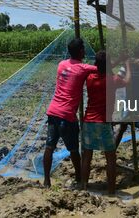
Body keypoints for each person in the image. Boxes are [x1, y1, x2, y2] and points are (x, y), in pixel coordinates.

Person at [42, 38, 97, 188]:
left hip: (53, 111)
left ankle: (46, 181)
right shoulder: (83, 68)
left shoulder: (61, 65)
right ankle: (79, 177)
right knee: (73, 149)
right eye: (83, 49)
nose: (85, 51)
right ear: (80, 51)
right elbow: (101, 68)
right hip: (67, 116)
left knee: (49, 147)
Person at [81, 51, 131, 194]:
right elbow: (127, 81)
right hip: (103, 122)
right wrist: (127, 64)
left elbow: (101, 68)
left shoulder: (89, 78)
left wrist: (114, 62)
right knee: (110, 157)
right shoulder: (112, 80)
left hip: (89, 121)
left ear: (95, 64)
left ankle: (84, 186)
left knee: (87, 156)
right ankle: (111, 190)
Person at [114, 43, 139, 165]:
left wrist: (132, 63)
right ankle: (112, 153)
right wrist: (126, 63)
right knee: (122, 127)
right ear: (137, 55)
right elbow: (118, 77)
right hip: (129, 101)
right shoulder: (127, 66)